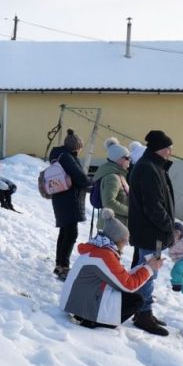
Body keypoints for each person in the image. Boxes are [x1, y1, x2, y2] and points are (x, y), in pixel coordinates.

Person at [60, 209, 158, 329]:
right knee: (137, 300)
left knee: (129, 294)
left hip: (75, 304)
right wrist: (149, 269)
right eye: (125, 241)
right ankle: (96, 322)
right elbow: (128, 285)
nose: (125, 245)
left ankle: (97, 319)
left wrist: (144, 267)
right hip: (80, 310)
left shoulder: (99, 248)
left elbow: (119, 277)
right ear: (118, 240)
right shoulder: (104, 255)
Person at [127, 129, 177, 337]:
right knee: (148, 272)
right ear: (159, 149)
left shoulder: (154, 166)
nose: (170, 152)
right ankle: (142, 314)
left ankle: (143, 310)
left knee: (148, 271)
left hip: (152, 232)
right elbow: (153, 206)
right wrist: (168, 227)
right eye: (168, 148)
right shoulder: (148, 169)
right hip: (151, 233)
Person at [48, 130, 89, 279]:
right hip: (69, 199)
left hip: (60, 197)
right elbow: (80, 177)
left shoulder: (58, 155)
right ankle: (64, 267)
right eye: (80, 147)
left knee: (65, 232)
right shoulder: (67, 157)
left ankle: (59, 265)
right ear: (75, 147)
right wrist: (91, 183)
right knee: (71, 233)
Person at [92, 138, 131, 232]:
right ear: (118, 159)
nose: (129, 160)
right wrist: (130, 211)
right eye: (127, 158)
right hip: (112, 228)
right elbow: (108, 202)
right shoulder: (113, 177)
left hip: (115, 225)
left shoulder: (119, 175)